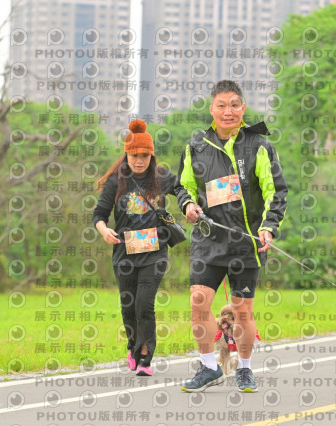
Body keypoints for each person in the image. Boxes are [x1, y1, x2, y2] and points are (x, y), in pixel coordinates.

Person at [176, 80, 287, 393]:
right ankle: (209, 367)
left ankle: (245, 368)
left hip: (246, 243)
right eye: (222, 105)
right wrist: (188, 205)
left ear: (243, 108)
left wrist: (269, 226)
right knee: (198, 302)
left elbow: (276, 190)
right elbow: (184, 186)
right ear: (212, 109)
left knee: (242, 311)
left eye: (234, 105)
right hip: (208, 240)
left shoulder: (259, 146)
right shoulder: (196, 146)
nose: (228, 111)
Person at [93, 120, 179, 376]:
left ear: (151, 156)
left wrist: (192, 206)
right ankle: (133, 346)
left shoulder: (162, 177)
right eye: (134, 156)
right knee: (128, 306)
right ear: (126, 155)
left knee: (144, 304)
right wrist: (104, 230)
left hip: (155, 253)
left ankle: (145, 357)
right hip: (124, 254)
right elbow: (99, 214)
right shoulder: (116, 181)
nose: (139, 161)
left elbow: (186, 190)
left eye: (144, 156)